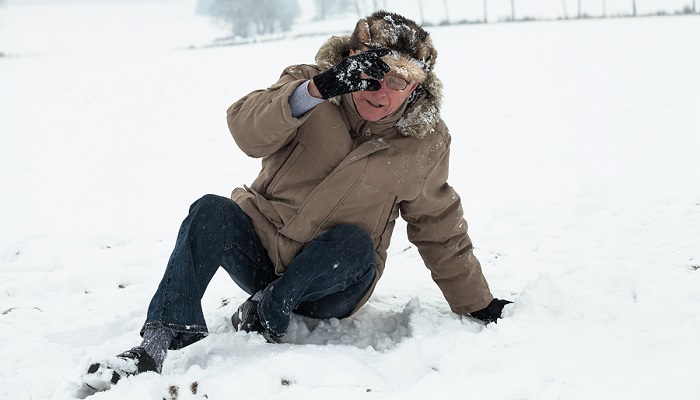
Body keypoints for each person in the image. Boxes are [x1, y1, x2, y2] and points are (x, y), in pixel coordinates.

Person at [83, 10, 512, 390]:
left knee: (353, 243)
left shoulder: (425, 142)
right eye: (369, 73)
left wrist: (478, 303)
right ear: (347, 63)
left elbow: (437, 223)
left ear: (416, 88)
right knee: (209, 211)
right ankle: (156, 344)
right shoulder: (305, 88)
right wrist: (315, 91)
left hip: (336, 280)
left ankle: (270, 308)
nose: (378, 90)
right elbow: (245, 132)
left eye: (397, 80)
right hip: (262, 253)